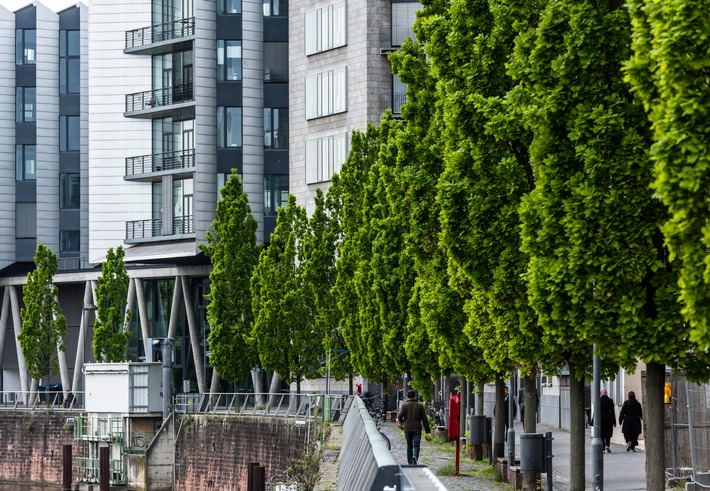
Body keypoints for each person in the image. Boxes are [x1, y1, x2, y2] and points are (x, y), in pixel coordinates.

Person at [396, 390, 431, 465]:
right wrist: (428, 431)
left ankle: (410, 462)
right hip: (417, 428)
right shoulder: (419, 405)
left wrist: (403, 423)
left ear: (407, 397)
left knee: (409, 446)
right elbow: (424, 419)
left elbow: (399, 416)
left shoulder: (404, 405)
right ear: (415, 396)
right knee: (416, 445)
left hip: (407, 428)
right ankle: (415, 456)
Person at [599, 388, 616, 453]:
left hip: (601, 419)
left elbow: (596, 412)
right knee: (608, 433)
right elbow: (612, 411)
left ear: (601, 393)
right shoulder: (610, 400)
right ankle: (607, 445)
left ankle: (603, 448)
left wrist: (593, 421)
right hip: (609, 419)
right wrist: (614, 421)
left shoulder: (599, 400)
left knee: (602, 434)